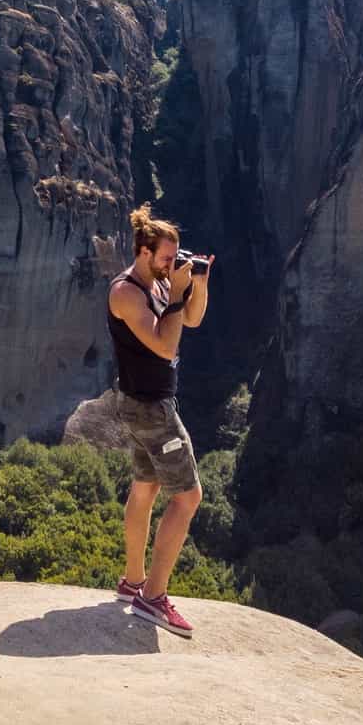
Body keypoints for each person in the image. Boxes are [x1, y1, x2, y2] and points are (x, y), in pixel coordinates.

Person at [106, 205, 211, 637]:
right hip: (149, 409)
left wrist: (197, 286)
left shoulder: (161, 281)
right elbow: (164, 347)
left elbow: (193, 319)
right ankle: (153, 597)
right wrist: (176, 292)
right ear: (144, 251)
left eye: (176, 257)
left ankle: (133, 582)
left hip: (146, 403)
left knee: (146, 488)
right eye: (167, 259)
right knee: (188, 498)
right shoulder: (126, 293)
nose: (172, 265)